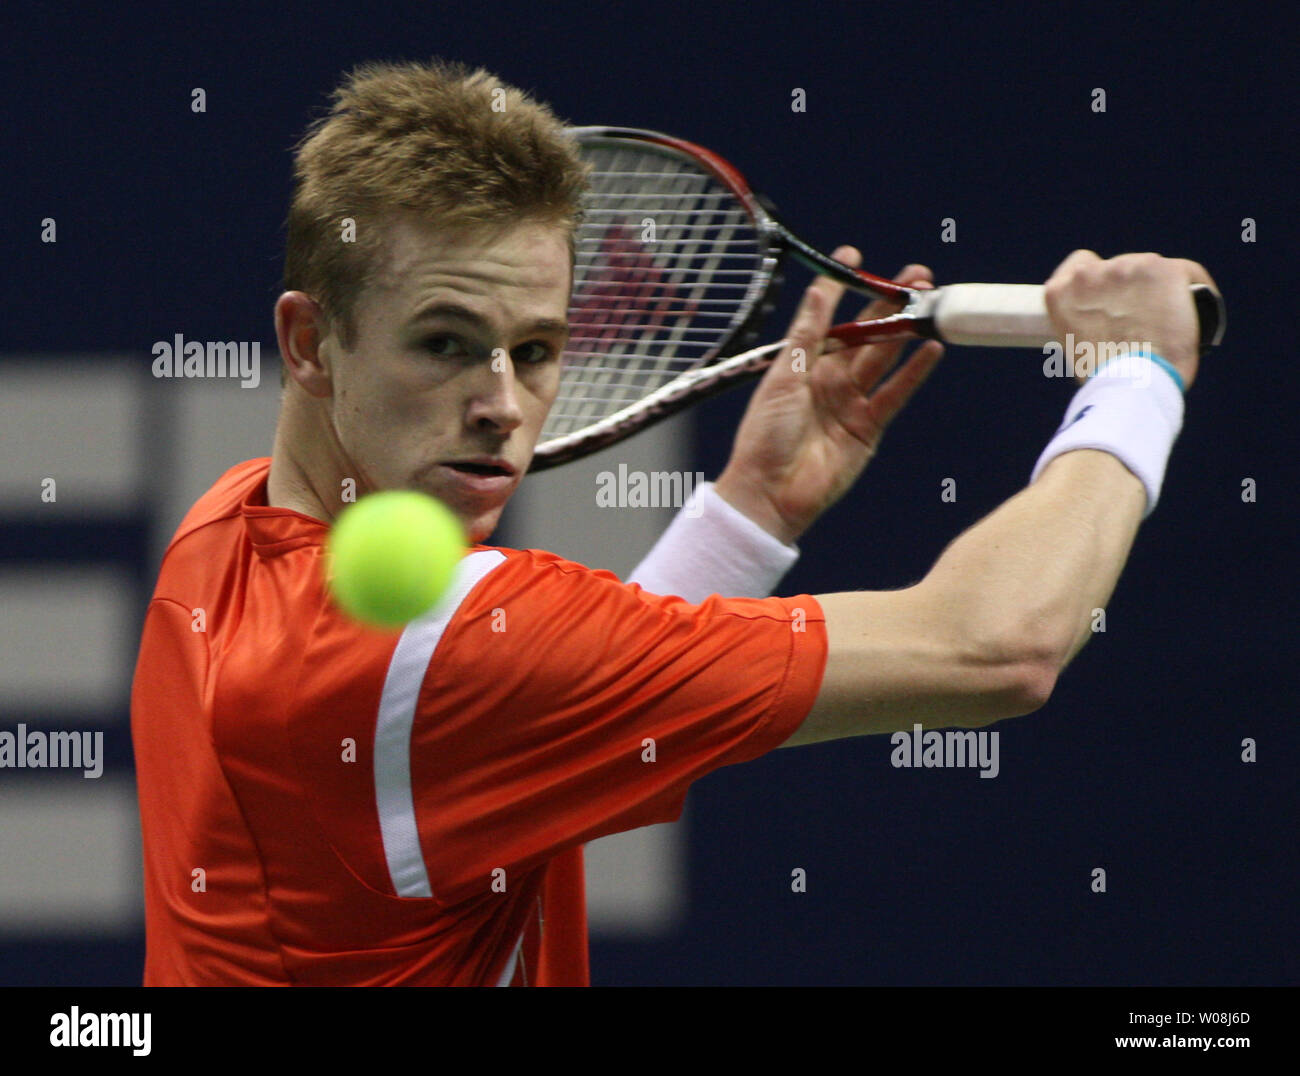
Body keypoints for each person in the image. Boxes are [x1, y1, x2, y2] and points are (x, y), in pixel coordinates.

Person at [130, 59, 1217, 986]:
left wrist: (745, 517)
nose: (502, 402)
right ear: (312, 341)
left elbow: (527, 724)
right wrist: (1137, 374)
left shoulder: (219, 532)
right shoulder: (419, 653)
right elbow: (997, 645)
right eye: (445, 341)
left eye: (540, 348)